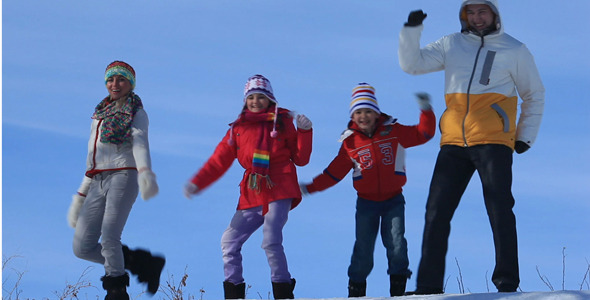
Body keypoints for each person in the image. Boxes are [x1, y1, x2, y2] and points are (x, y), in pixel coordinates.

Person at [398, 0, 545, 294]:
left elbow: (534, 94)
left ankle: (506, 282)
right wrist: (412, 31)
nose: (477, 18)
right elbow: (412, 65)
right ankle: (427, 286)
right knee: (435, 212)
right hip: (453, 142)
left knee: (499, 209)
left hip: (493, 142)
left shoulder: (514, 49)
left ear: (494, 14)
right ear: (463, 15)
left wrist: (524, 136)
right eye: (471, 13)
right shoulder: (451, 44)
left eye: (483, 12)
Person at [183, 74, 313, 300]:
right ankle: (234, 292)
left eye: (260, 97)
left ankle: (282, 291)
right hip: (252, 192)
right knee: (229, 241)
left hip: (280, 187)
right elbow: (218, 161)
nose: (255, 101)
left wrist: (304, 132)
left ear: (270, 99)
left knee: (271, 238)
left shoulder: (283, 123)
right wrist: (198, 183)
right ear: (245, 101)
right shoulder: (238, 129)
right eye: (251, 97)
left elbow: (301, 159)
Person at [300, 83, 436, 297]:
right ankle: (356, 292)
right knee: (363, 248)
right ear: (353, 116)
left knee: (397, 243)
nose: (363, 116)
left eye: (368, 111)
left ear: (376, 113)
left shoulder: (394, 131)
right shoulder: (350, 143)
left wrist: (426, 110)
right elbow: (334, 173)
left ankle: (398, 292)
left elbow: (423, 134)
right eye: (358, 112)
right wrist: (310, 187)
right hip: (366, 203)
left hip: (394, 200)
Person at [68, 61, 165, 300]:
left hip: (124, 173)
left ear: (130, 84)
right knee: (81, 247)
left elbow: (140, 141)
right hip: (96, 179)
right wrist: (80, 195)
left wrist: (145, 172)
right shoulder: (99, 114)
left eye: (121, 79)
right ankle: (141, 262)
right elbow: (93, 157)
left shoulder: (136, 111)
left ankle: (116, 291)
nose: (115, 84)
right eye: (111, 80)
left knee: (110, 235)